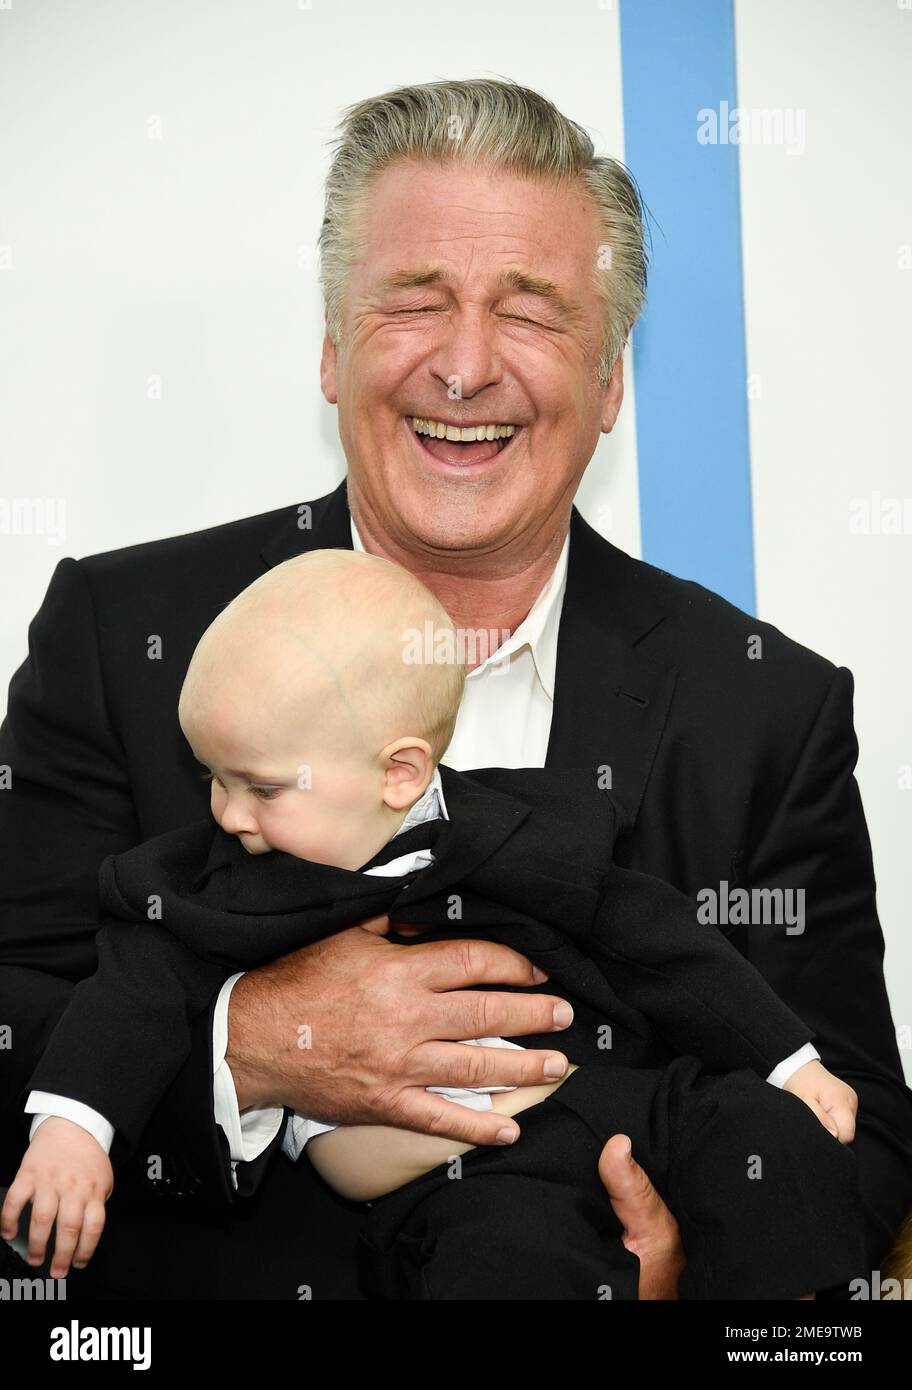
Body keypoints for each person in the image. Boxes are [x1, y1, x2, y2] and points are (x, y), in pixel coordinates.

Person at [1, 77, 910, 1300]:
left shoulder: (764, 712)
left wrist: (677, 1267)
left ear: (611, 381)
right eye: (413, 304)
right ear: (331, 346)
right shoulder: (123, 636)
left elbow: (864, 1143)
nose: (467, 368)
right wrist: (255, 1047)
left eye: (530, 314)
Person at [3, 550, 864, 1300]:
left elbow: (660, 935)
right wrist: (74, 1132)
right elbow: (127, 995)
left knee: (764, 1130)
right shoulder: (216, 882)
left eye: (260, 787)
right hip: (467, 1178)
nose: (227, 813)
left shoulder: (514, 826)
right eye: (210, 780)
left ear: (400, 772)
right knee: (507, 1260)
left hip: (608, 1100)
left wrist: (788, 1060)